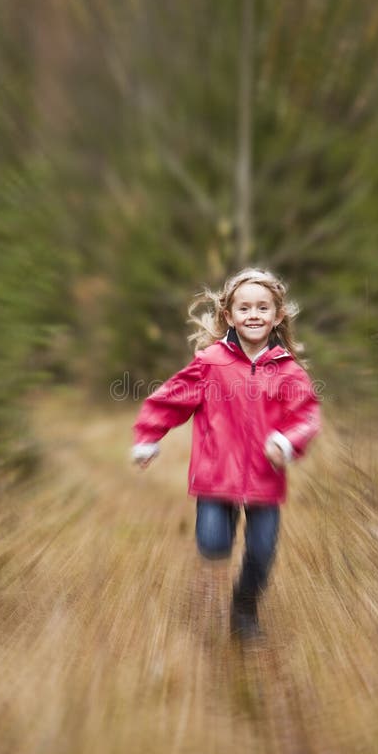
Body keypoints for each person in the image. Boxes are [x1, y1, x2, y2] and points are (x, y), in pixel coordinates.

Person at [131, 267, 321, 640]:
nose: (253, 315)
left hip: (266, 479)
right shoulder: (211, 363)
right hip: (217, 477)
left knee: (262, 553)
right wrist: (147, 437)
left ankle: (245, 609)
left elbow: (307, 417)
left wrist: (287, 441)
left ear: (277, 316)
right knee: (214, 545)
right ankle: (226, 520)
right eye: (245, 307)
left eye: (262, 308)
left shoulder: (288, 371)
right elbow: (169, 400)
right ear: (229, 315)